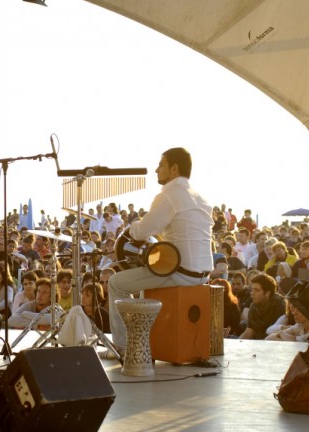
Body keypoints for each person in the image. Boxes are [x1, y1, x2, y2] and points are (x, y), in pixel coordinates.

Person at [107, 148, 213, 358]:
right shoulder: (200, 197)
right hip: (203, 274)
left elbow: (143, 231)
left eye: (161, 165)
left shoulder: (169, 195)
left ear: (174, 168)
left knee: (116, 283)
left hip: (180, 272)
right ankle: (145, 339)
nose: (156, 169)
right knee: (145, 282)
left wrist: (134, 224)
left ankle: (123, 346)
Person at [238, 274, 286, 340]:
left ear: (267, 293)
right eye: (252, 289)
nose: (252, 293)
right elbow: (249, 332)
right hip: (258, 344)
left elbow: (278, 334)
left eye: (256, 290)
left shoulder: (280, 306)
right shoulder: (253, 307)